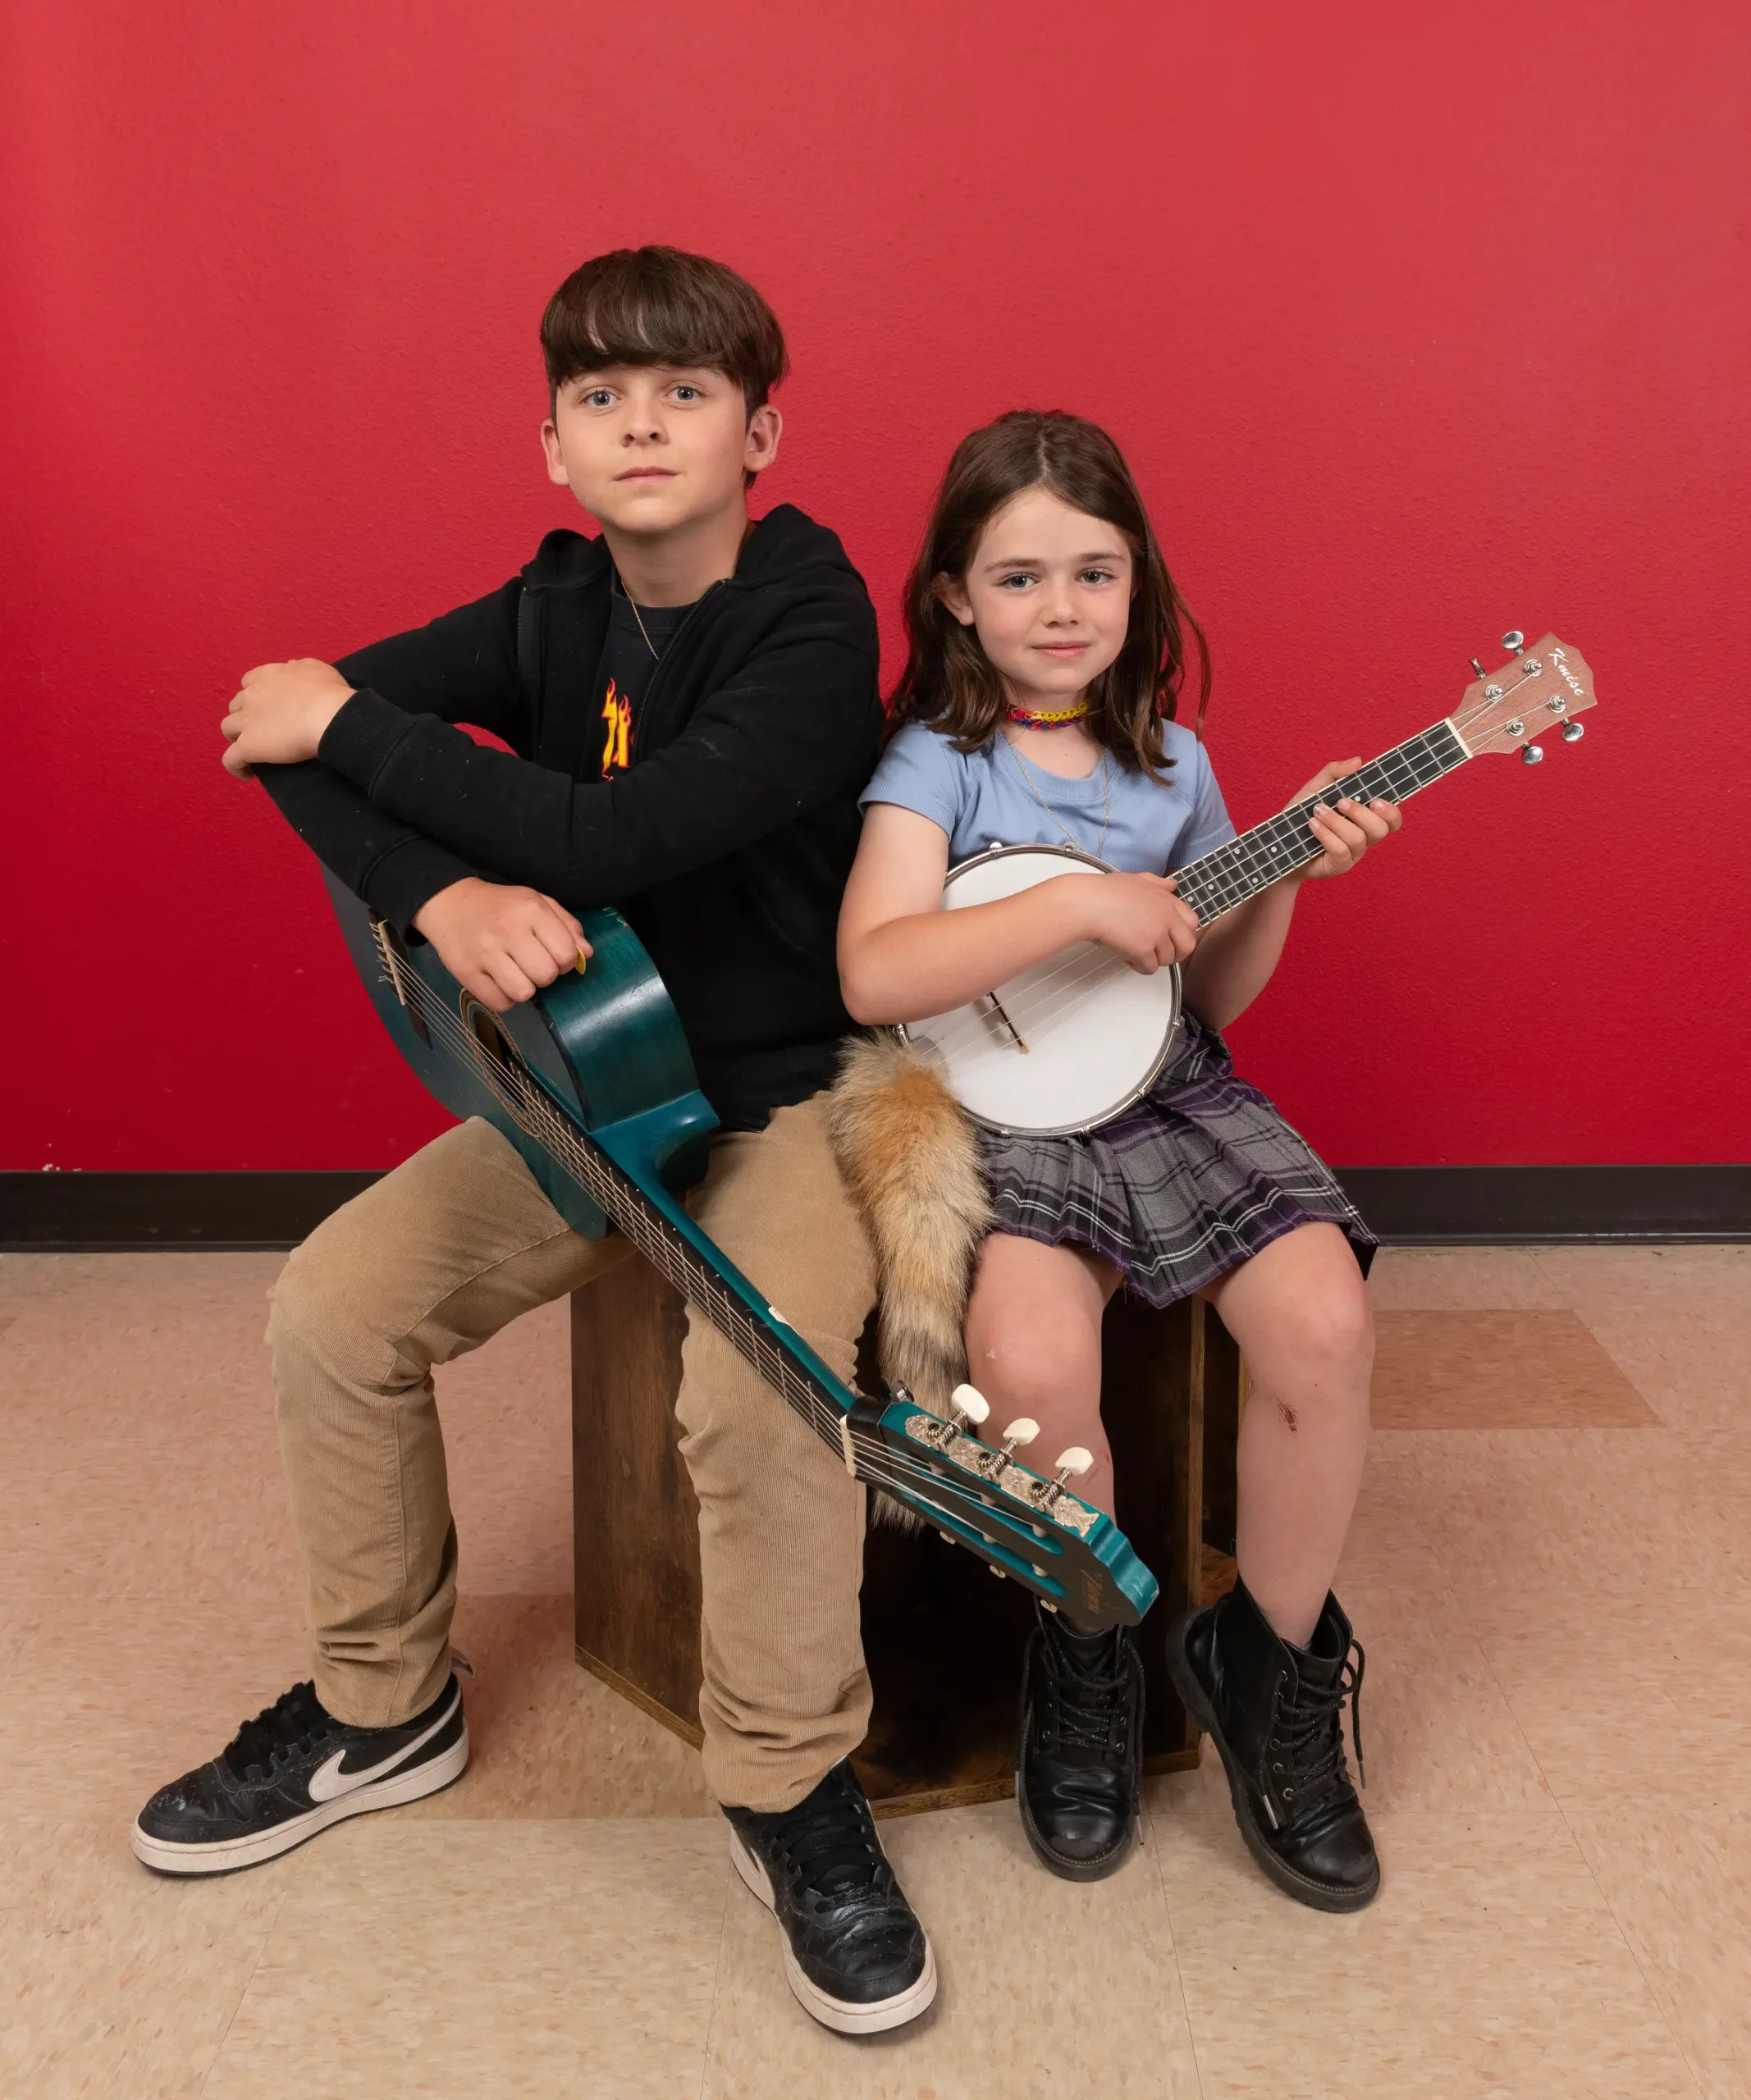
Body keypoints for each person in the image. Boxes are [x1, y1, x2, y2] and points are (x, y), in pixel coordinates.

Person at [133, 245, 937, 2035]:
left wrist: (375, 750)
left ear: (761, 430)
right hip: (588, 1084)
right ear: (553, 446)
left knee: (764, 1385)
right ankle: (380, 1706)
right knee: (333, 1308)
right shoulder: (551, 600)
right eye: (599, 395)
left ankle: (787, 1785)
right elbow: (288, 726)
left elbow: (619, 831)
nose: (639, 422)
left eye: (683, 391)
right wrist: (435, 897)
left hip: (793, 1093)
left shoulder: (813, 618)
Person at [836, 409, 1397, 1911]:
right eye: (1018, 578)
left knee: (1325, 1324)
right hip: (1005, 1115)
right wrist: (1083, 907)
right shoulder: (934, 764)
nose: (1063, 609)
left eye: (1095, 573)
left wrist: (1280, 869)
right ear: (953, 595)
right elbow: (878, 969)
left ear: (1138, 585)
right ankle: (1082, 1648)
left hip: (1164, 1096)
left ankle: (1266, 1666)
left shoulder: (1176, 767)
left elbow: (1197, 997)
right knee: (1022, 1358)